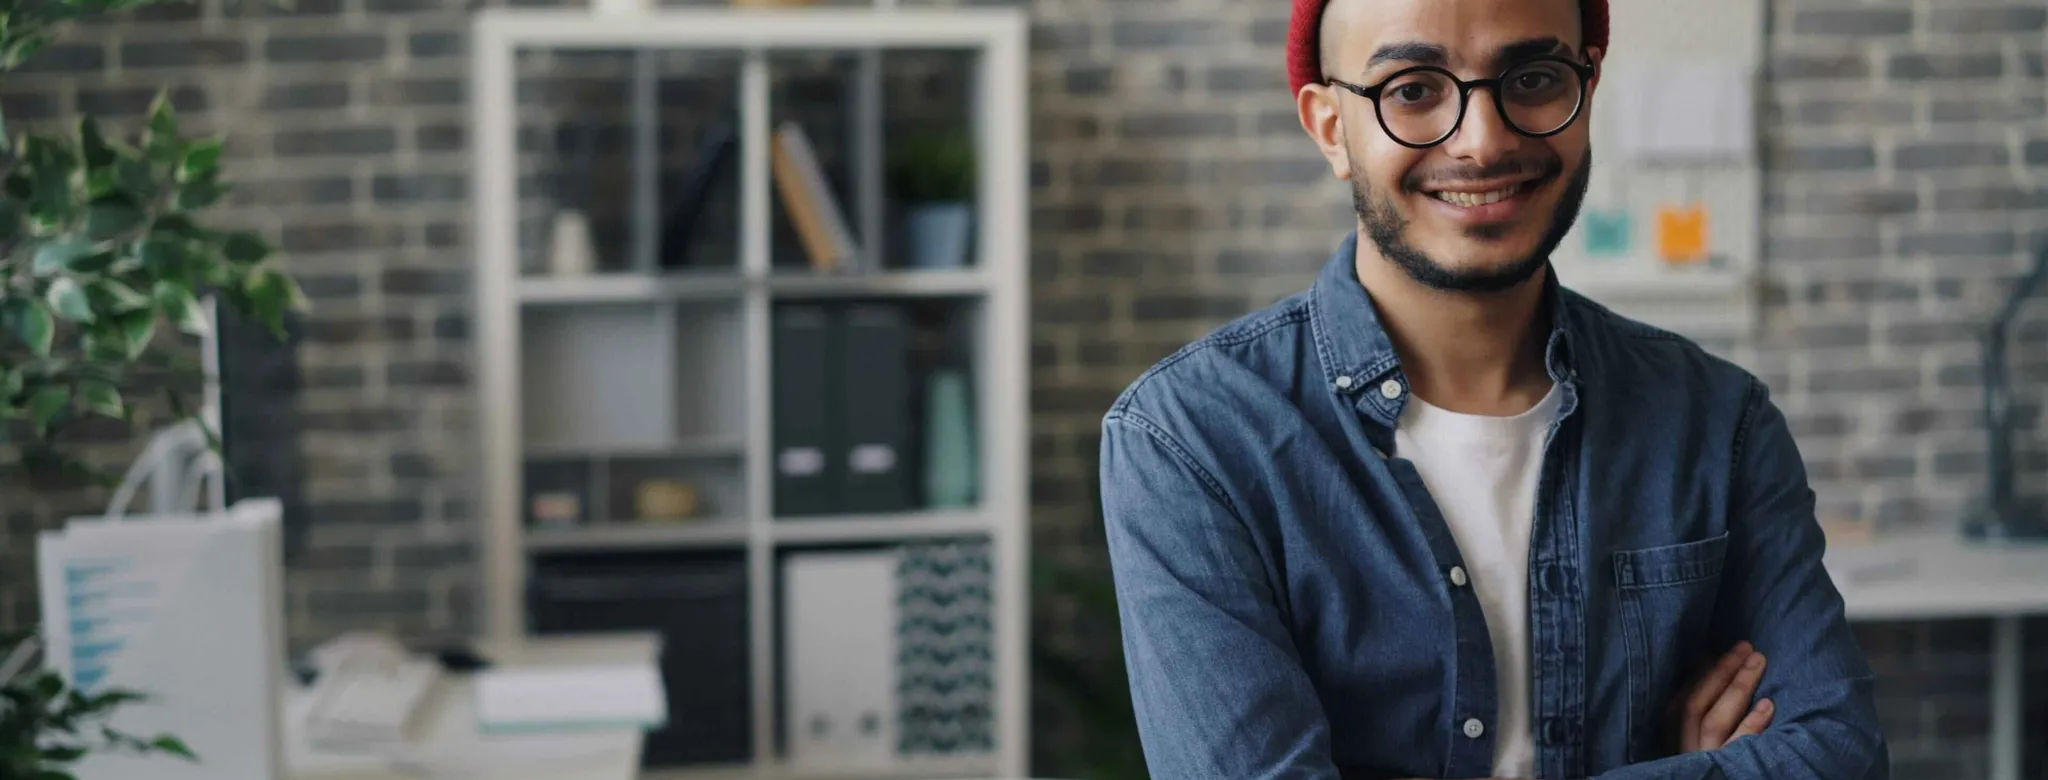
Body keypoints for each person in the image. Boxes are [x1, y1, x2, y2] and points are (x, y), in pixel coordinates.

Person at [1095, 0, 1888, 777]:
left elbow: (1839, 753)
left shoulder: (1718, 421)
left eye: (1534, 79)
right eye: (1412, 89)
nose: (1483, 141)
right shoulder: (1191, 441)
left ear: (1588, 90)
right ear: (1331, 127)